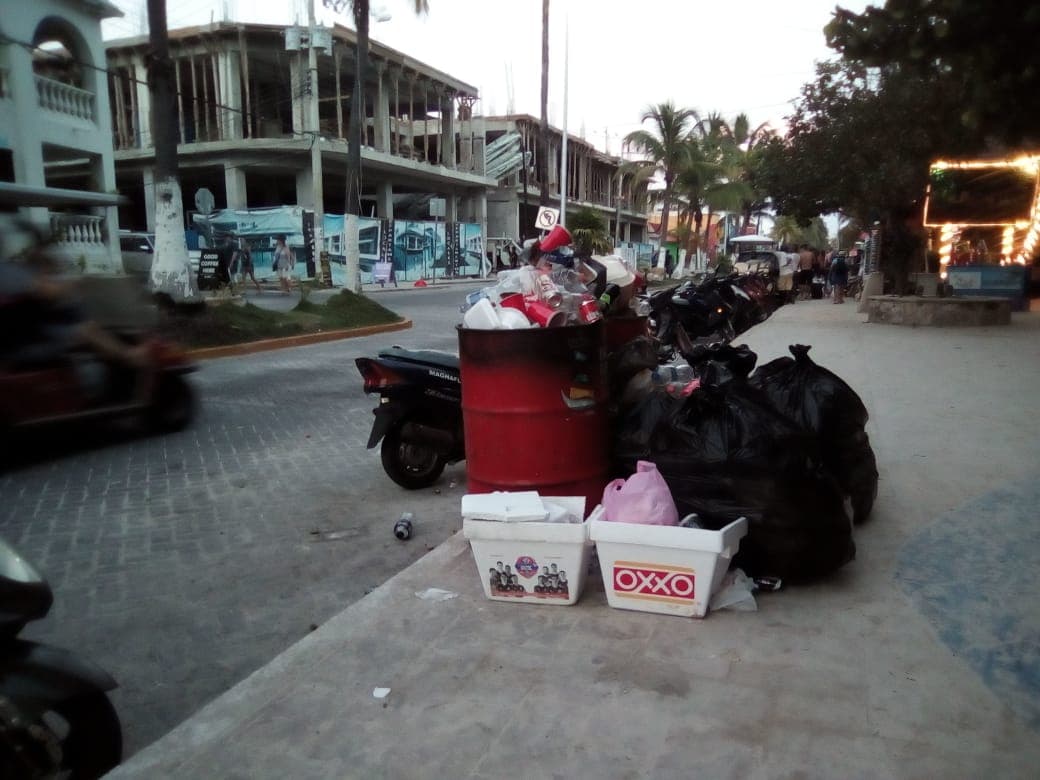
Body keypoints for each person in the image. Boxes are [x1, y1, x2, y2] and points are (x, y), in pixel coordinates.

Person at [0, 249, 154, 398]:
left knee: (85, 329)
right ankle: (128, 356)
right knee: (83, 331)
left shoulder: (14, 274)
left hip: (30, 336)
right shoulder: (8, 273)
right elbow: (48, 291)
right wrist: (80, 284)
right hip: (25, 343)